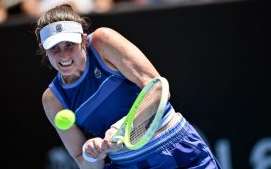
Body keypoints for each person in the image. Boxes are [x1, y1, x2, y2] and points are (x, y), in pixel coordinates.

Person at [34, 3, 222, 169]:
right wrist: (91, 153)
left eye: (70, 44)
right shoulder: (52, 100)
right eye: (55, 48)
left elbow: (157, 87)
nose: (64, 55)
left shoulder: (102, 41)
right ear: (44, 50)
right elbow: (83, 161)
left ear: (83, 39)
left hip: (177, 150)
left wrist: (122, 130)